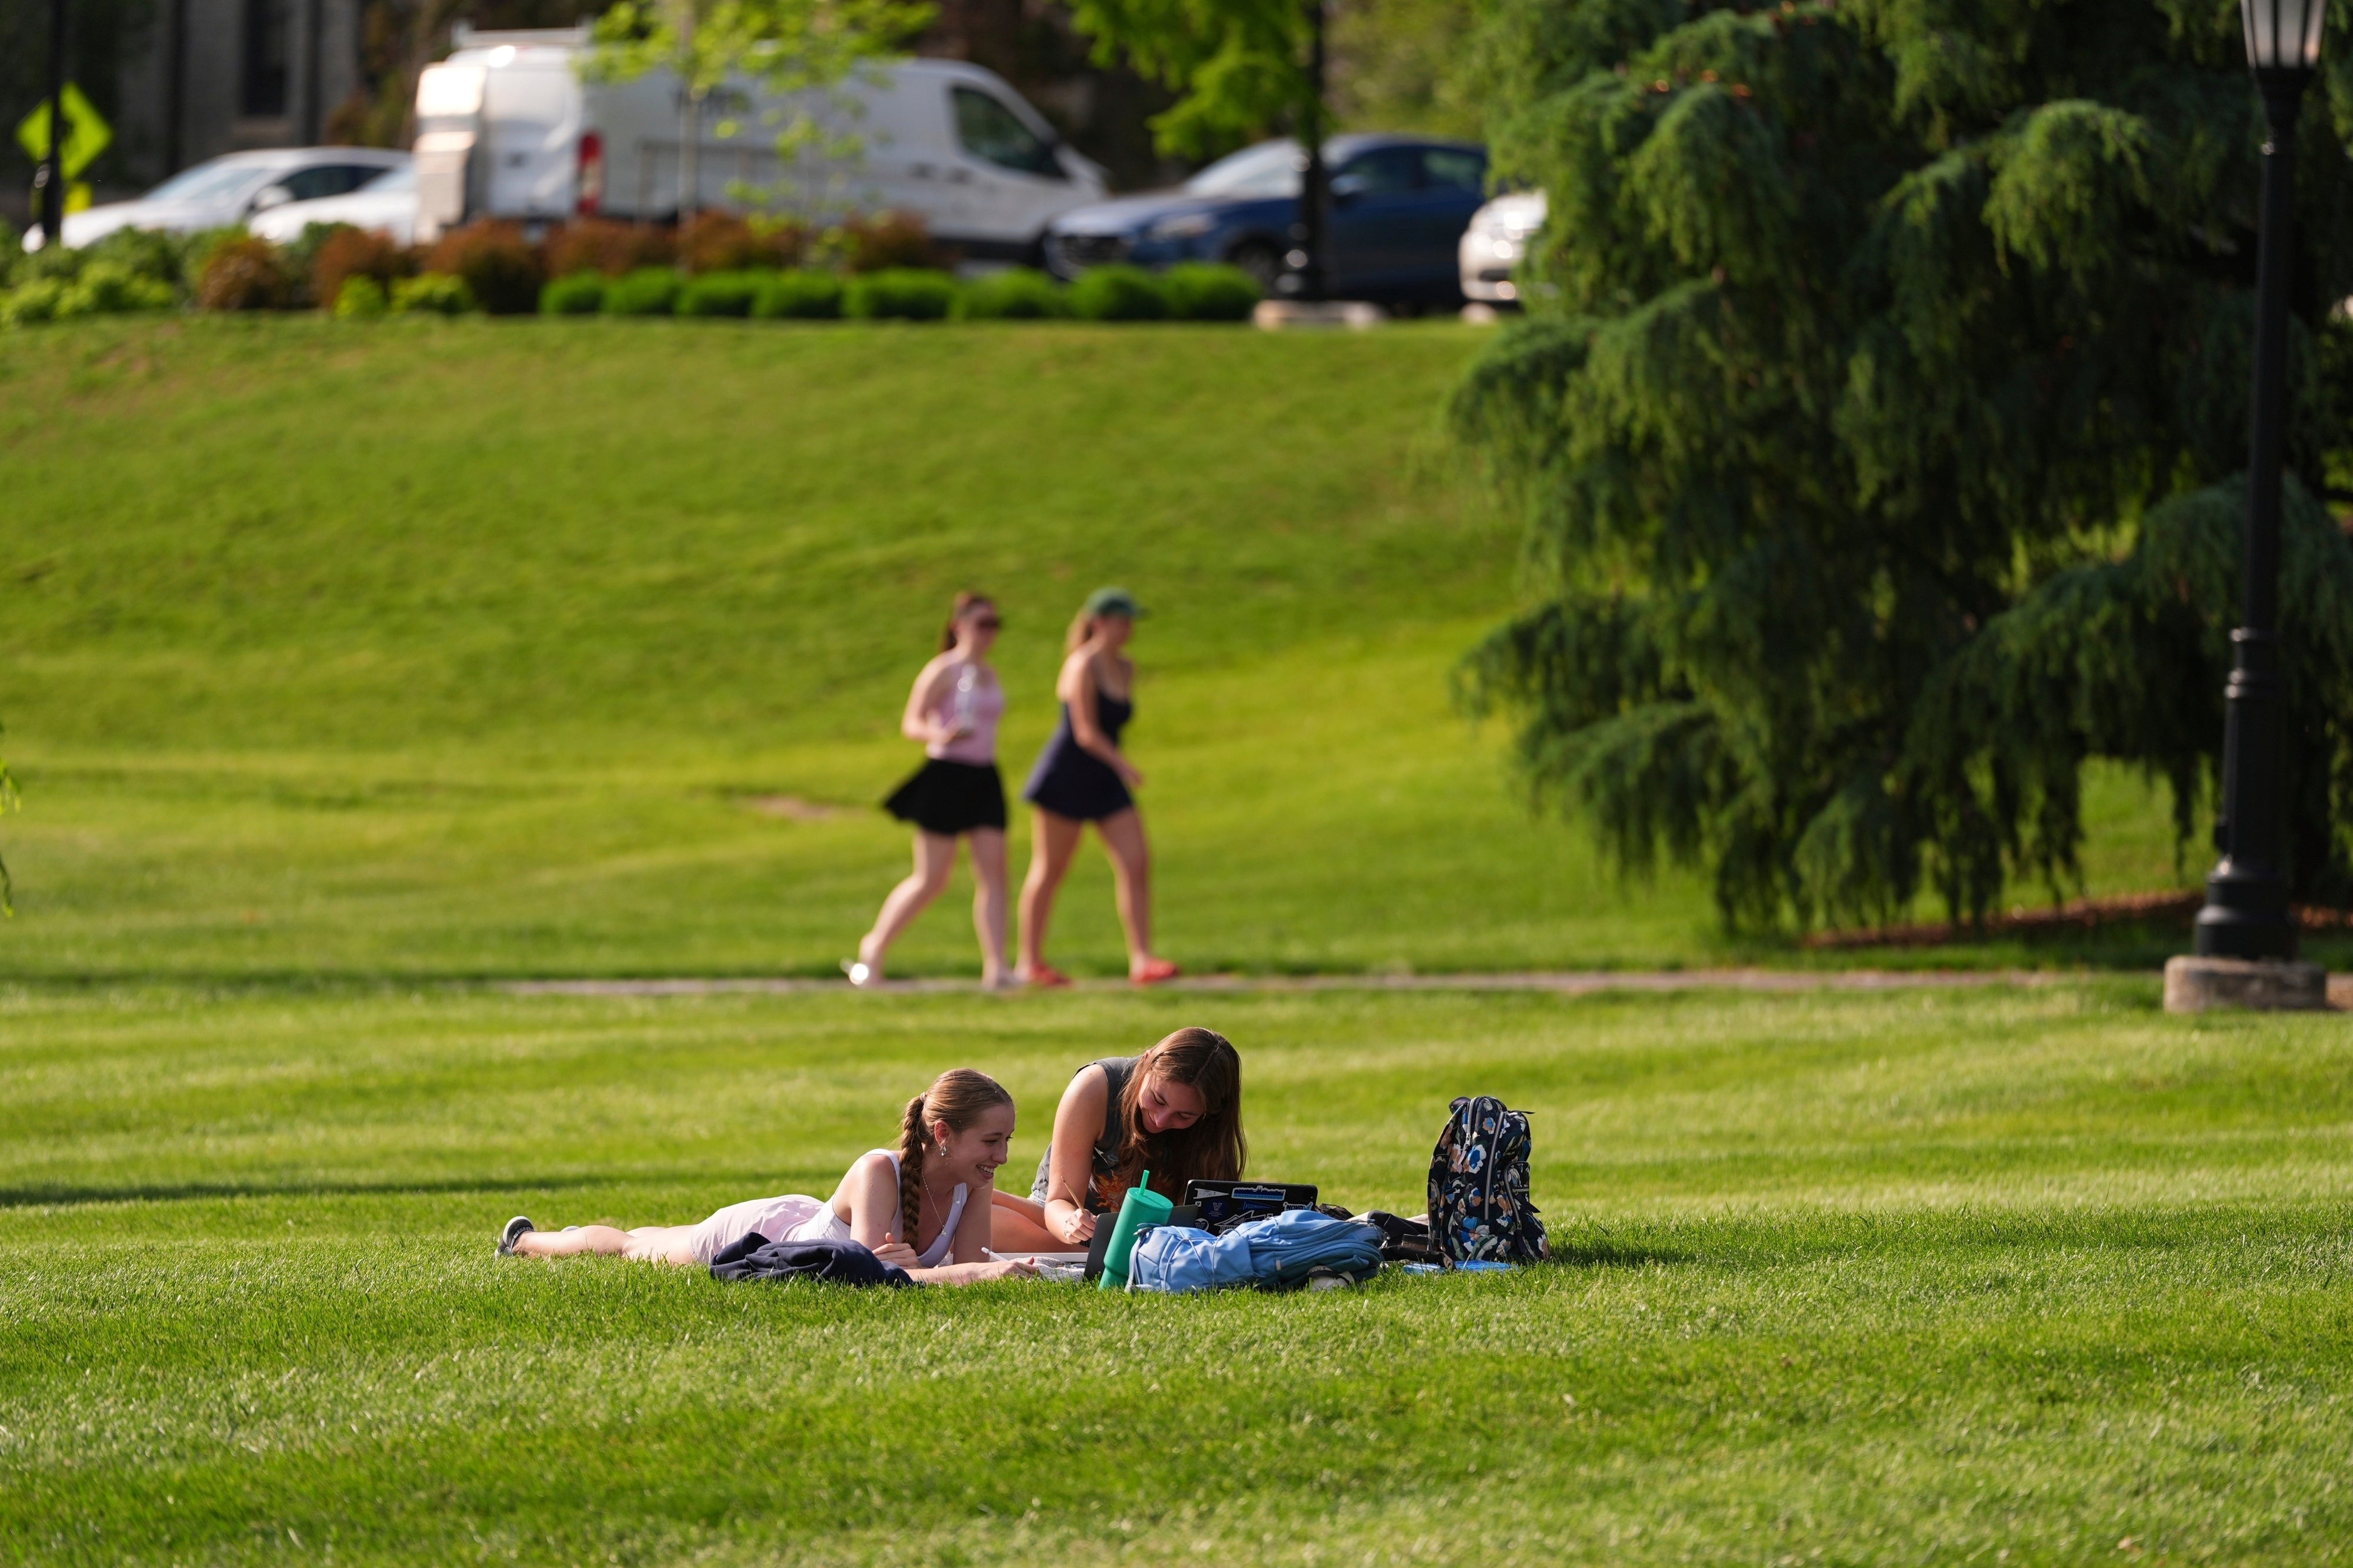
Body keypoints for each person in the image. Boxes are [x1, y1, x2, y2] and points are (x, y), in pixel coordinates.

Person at [499, 1069, 1038, 1285]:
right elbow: (877, 1279)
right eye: (993, 1141)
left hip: (801, 1224)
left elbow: (967, 1270)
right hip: (764, 1233)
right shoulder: (880, 1170)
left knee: (651, 1239)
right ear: (943, 1133)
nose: (1004, 1156)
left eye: (1007, 1140)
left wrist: (990, 1272)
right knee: (634, 1249)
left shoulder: (975, 1181)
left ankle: (553, 1238)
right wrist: (983, 1275)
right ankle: (525, 1242)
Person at [1015, 587, 1179, 987]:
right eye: (1121, 621)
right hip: (1068, 775)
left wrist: (1116, 767)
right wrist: (1124, 765)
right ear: (1098, 621)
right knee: (1051, 868)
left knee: (1136, 861)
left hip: (1104, 779)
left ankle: (1142, 959)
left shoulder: (1125, 668)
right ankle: (1030, 962)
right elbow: (1085, 732)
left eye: (1130, 622)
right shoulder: (1081, 664)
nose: (1127, 630)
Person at [847, 593, 1011, 987]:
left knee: (995, 874)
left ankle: (998, 967)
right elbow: (912, 722)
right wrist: (942, 733)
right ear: (959, 626)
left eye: (994, 625)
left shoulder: (988, 673)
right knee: (932, 878)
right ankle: (875, 948)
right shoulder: (944, 669)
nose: (989, 633)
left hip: (983, 776)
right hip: (946, 774)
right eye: (981, 624)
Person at [987, 1026, 1244, 1251]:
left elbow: (1213, 1217)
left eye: (1184, 1116)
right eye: (1157, 1100)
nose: (1161, 1120)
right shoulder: (1095, 1087)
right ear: (1146, 1062)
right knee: (987, 1218)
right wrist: (1070, 1223)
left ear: (1210, 1114)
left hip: (1156, 1238)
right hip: (1068, 1226)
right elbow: (1058, 1202)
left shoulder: (1212, 1128)